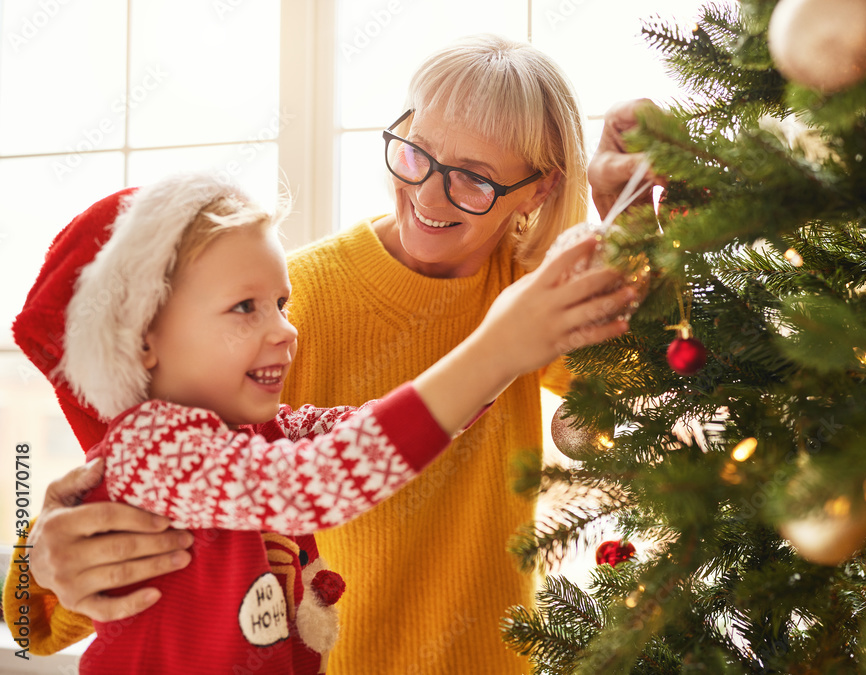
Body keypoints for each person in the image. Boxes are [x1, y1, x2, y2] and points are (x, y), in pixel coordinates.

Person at [4, 36, 658, 674]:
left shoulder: (523, 296)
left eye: (474, 180)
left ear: (537, 191)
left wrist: (628, 230)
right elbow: (39, 617)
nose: (429, 196)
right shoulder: (272, 319)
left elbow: (644, 381)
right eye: (418, 154)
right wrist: (42, 570)